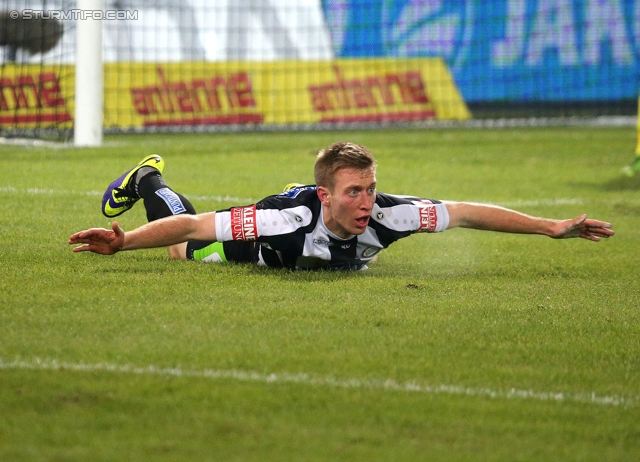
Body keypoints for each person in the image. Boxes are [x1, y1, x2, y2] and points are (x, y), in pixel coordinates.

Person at [69, 142, 614, 270]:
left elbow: (466, 210)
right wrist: (123, 242)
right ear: (327, 195)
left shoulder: (391, 214)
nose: (368, 201)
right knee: (183, 249)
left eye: (371, 187)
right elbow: (191, 223)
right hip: (259, 250)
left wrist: (551, 228)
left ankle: (147, 181)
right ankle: (146, 179)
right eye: (355, 191)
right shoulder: (284, 220)